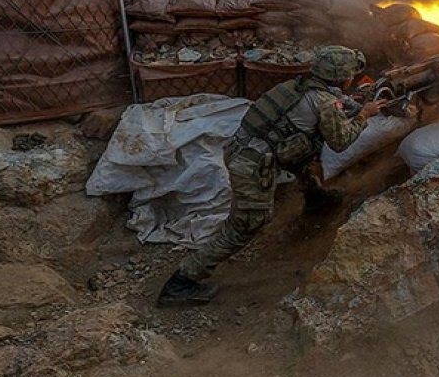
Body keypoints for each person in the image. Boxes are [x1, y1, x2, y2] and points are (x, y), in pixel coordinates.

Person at [157, 45, 386, 307]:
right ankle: (182, 282)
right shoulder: (323, 102)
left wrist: (353, 103)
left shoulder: (297, 86)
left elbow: (325, 107)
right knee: (245, 225)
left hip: (246, 149)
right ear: (339, 76)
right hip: (252, 166)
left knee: (305, 152)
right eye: (349, 74)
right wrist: (365, 115)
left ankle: (315, 197)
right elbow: (340, 141)